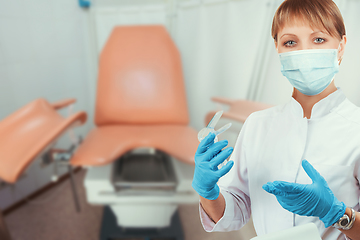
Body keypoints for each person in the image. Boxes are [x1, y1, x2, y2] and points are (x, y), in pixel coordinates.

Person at [191, 0, 360, 239]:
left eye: (319, 39)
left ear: (341, 46)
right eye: (290, 42)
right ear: (278, 49)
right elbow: (234, 212)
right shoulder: (257, 124)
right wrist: (208, 192)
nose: (304, 53)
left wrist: (336, 214)